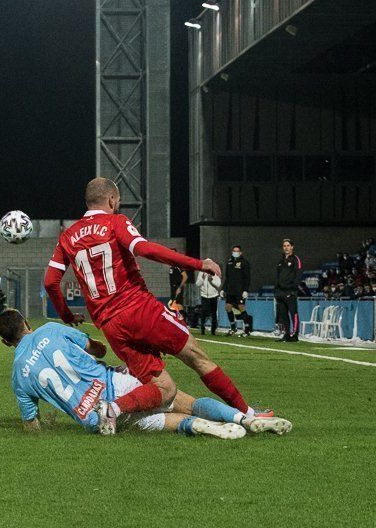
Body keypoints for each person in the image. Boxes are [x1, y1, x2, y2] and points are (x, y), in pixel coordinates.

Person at [44, 178, 272, 435]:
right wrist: (197, 263)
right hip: (139, 309)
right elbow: (145, 249)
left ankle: (112, 409)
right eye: (117, 202)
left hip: (110, 325)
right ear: (111, 200)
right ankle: (249, 415)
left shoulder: (67, 236)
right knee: (198, 358)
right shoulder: (114, 222)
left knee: (164, 389)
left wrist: (65, 314)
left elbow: (51, 282)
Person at [0, 309, 291, 437]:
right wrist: (90, 345)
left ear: (6, 342)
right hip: (115, 387)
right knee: (173, 395)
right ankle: (244, 418)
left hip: (94, 421)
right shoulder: (50, 329)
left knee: (166, 422)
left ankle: (206, 428)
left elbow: (31, 426)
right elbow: (98, 351)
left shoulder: (18, 377)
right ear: (26, 322)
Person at [221, 245, 253, 337]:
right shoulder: (229, 262)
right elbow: (227, 278)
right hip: (230, 290)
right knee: (228, 307)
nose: (235, 252)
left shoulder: (244, 263)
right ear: (232, 252)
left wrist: (245, 290)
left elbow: (247, 278)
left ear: (240, 252)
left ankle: (247, 330)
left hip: (240, 290)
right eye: (234, 251)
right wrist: (223, 289)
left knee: (241, 308)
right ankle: (233, 328)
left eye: (237, 251)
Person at [275, 238, 302, 342]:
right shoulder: (280, 261)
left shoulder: (295, 259)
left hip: (290, 292)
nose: (286, 247)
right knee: (283, 314)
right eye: (284, 246)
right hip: (280, 292)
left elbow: (298, 276)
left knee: (293, 313)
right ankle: (286, 334)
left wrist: (292, 290)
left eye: (288, 245)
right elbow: (277, 277)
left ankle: (294, 335)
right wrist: (276, 290)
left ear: (292, 247)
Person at [195, 270, 220, 335]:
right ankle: (202, 330)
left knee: (213, 313)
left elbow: (218, 284)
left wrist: (211, 281)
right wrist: (202, 278)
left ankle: (213, 331)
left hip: (214, 296)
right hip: (204, 296)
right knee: (204, 313)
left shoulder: (215, 272)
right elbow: (197, 284)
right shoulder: (201, 272)